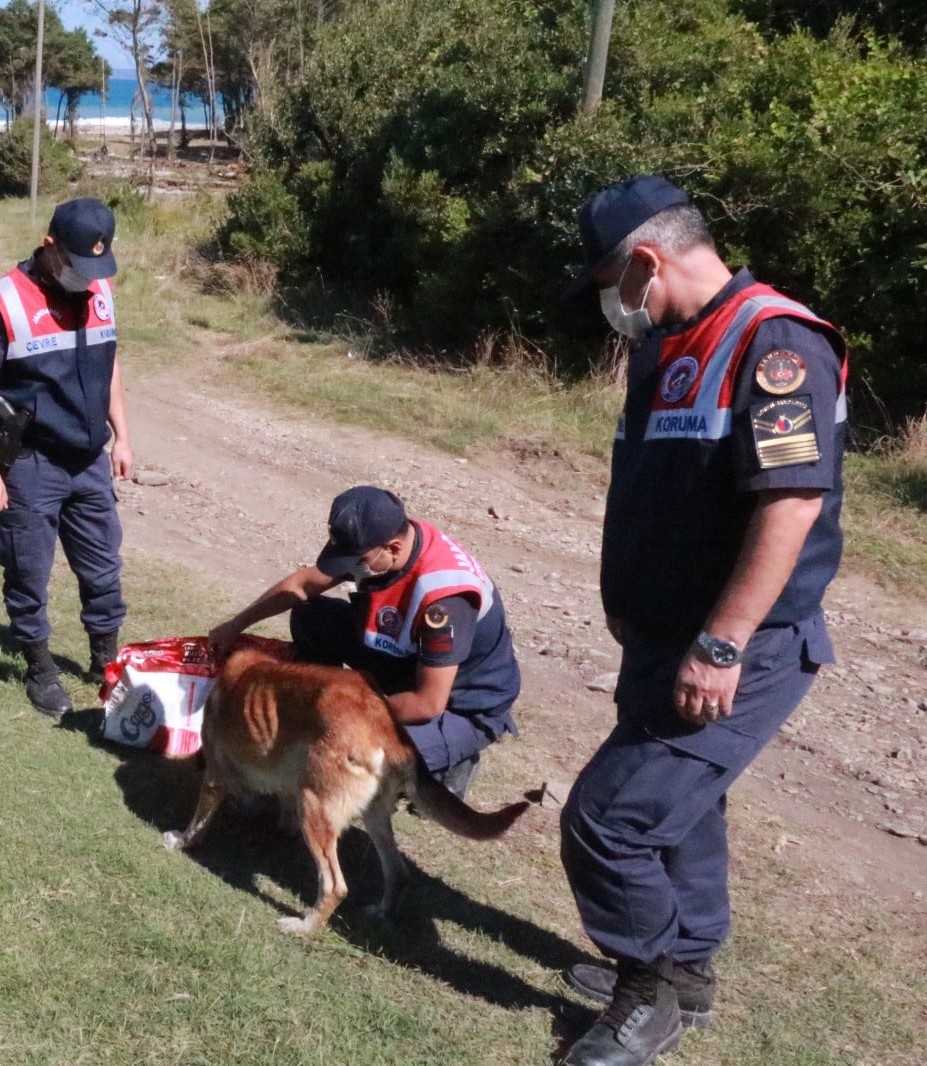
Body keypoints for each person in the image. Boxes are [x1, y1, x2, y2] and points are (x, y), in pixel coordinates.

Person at [555, 175, 847, 1066]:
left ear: (646, 260)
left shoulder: (773, 341)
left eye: (611, 279)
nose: (612, 302)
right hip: (661, 637)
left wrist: (719, 644)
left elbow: (792, 505)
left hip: (739, 648)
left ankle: (648, 997)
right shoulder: (670, 343)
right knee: (684, 808)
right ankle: (689, 968)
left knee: (608, 822)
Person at [207, 486, 521, 797]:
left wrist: (340, 715)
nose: (348, 569)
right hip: (405, 660)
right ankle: (321, 711)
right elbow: (301, 587)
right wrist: (235, 625)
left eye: (355, 560)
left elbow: (427, 702)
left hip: (458, 704)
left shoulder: (445, 601)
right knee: (310, 616)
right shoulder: (386, 543)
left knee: (356, 757)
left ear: (393, 549)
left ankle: (453, 764)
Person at [0, 198, 134, 717]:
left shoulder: (98, 289)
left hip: (88, 461)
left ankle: (105, 660)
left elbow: (110, 366)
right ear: (51, 246)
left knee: (104, 568)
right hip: (31, 465)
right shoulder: (1, 304)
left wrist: (121, 436)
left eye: (95, 269)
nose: (88, 279)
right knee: (28, 572)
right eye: (78, 267)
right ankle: (39, 667)